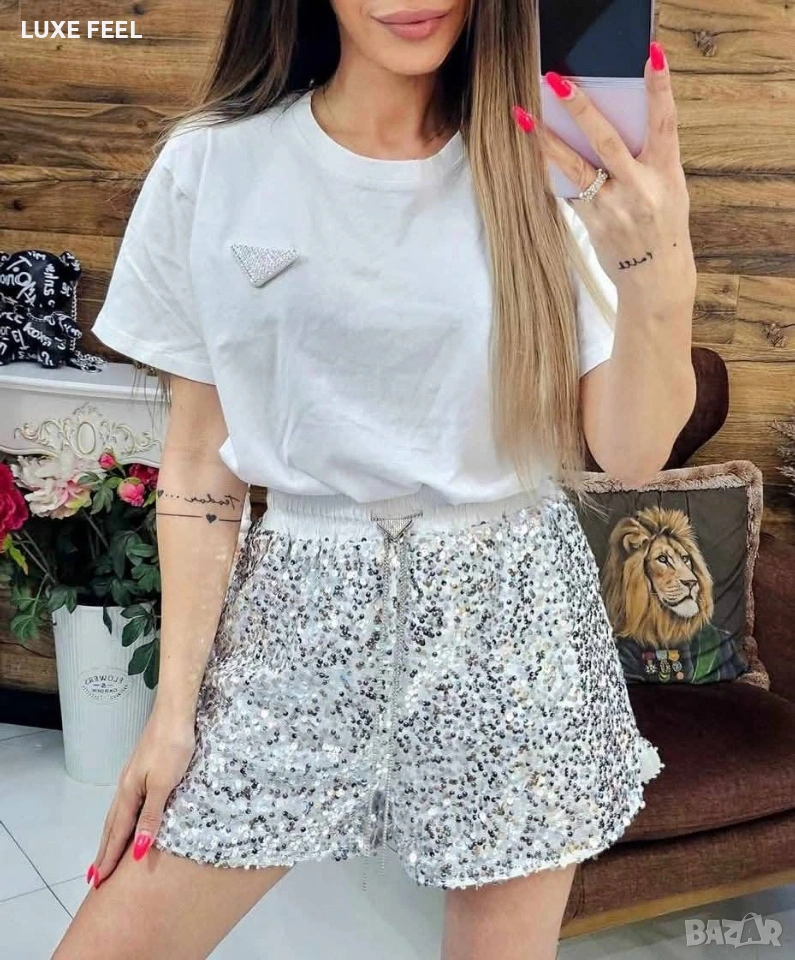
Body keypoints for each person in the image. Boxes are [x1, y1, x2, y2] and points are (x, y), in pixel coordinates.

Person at [52, 1, 697, 957]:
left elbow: (632, 453)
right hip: (295, 617)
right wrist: (173, 712)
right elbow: (196, 468)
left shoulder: (543, 166)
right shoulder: (214, 164)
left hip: (511, 619)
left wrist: (657, 269)